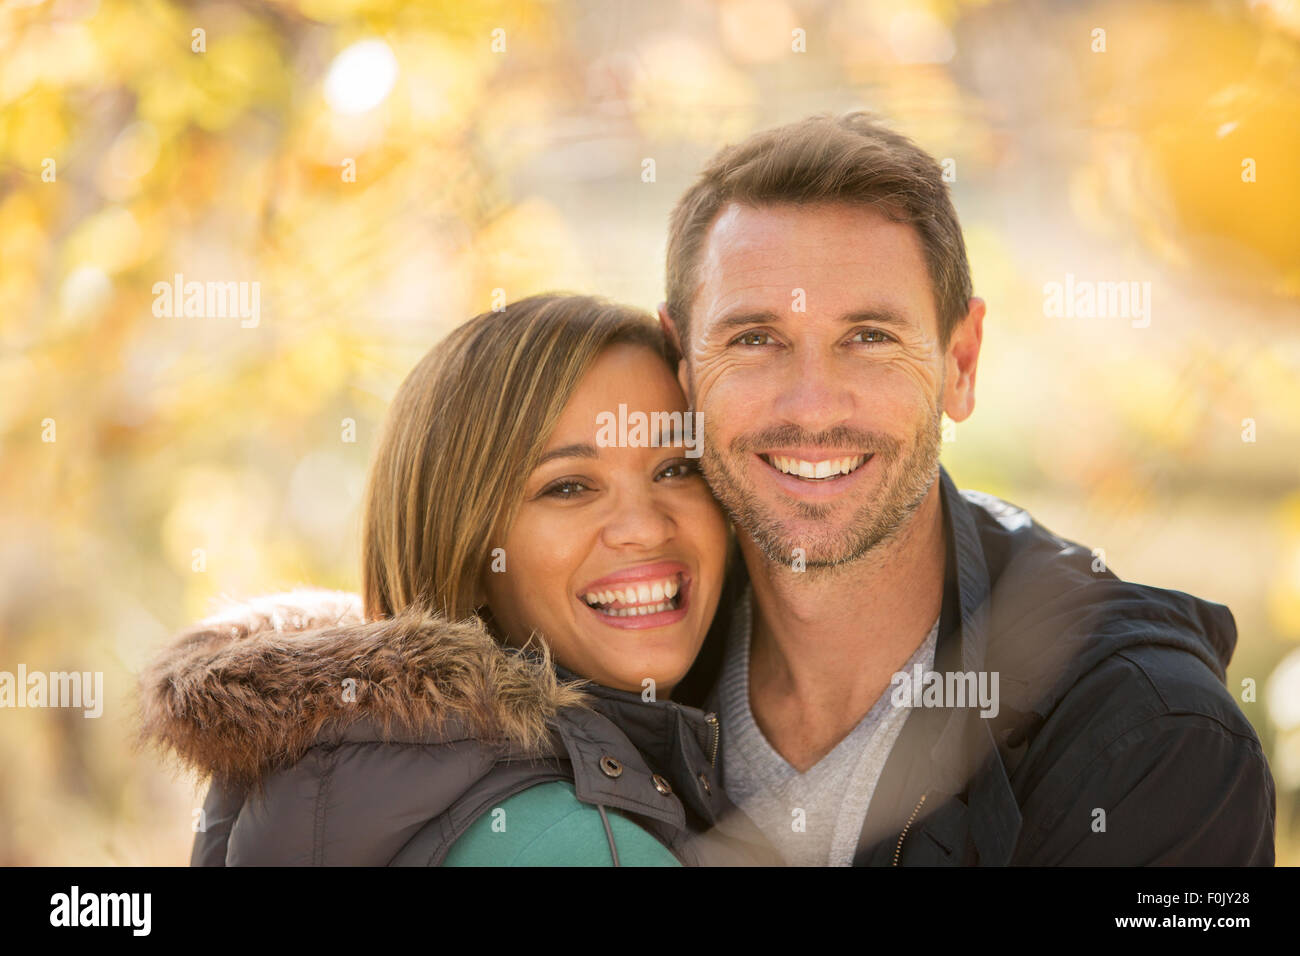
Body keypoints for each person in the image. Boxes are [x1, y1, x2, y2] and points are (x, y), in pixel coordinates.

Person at [660, 111, 1276, 865]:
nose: (812, 406)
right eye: (753, 339)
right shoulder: (619, 662)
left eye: (871, 338)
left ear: (961, 362)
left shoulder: (1150, 735)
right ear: (684, 369)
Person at [138, 294, 778, 866]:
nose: (643, 526)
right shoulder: (572, 844)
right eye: (569, 487)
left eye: (675, 468)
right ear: (465, 551)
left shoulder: (357, 763)